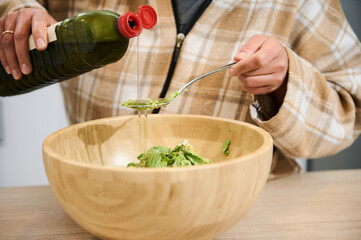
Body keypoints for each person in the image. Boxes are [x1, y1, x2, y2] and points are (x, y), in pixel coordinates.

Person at [1, 0, 360, 179]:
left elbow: (350, 112)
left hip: (242, 211)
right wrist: (19, 9)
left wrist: (283, 85)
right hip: (103, 192)